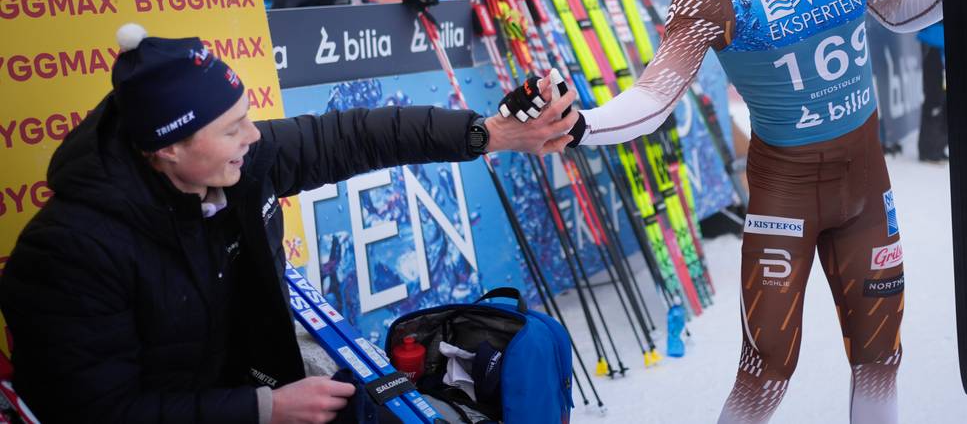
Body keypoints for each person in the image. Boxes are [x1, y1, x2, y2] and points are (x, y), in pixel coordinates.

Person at [503, 0, 942, 423]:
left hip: (867, 189)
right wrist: (582, 125)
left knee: (879, 355)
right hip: (786, 195)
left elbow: (896, 11)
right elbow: (655, 97)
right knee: (766, 368)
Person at [0, 24, 577, 424]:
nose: (252, 137)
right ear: (168, 149)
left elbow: (356, 136)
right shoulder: (68, 253)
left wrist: (487, 134)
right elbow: (95, 412)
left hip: (253, 380)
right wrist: (265, 410)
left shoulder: (239, 162)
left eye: (246, 118)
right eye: (232, 129)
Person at [910, 0, 949, 162]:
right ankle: (929, 149)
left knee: (941, 97)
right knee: (934, 96)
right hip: (933, 47)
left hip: (938, 44)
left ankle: (939, 145)